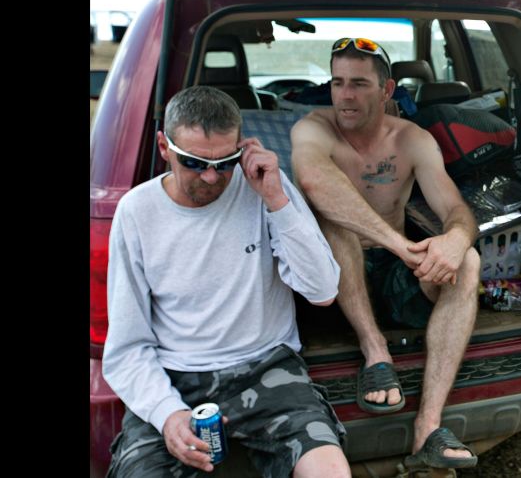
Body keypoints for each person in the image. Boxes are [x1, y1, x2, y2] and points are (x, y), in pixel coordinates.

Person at [103, 86, 351, 477]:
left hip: (265, 364)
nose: (210, 176)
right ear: (164, 147)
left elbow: (322, 291)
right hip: (176, 374)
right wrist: (168, 415)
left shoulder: (265, 187)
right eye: (194, 162)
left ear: (243, 147)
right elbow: (126, 347)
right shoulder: (137, 211)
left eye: (226, 162)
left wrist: (276, 200)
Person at [290, 37, 480, 471]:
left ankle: (428, 429)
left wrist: (455, 239)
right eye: (338, 83)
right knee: (334, 221)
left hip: (396, 275)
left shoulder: (412, 140)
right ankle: (376, 352)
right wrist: (401, 245)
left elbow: (456, 210)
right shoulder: (312, 128)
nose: (345, 95)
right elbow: (317, 184)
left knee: (468, 261)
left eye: (358, 83)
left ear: (387, 90)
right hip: (330, 288)